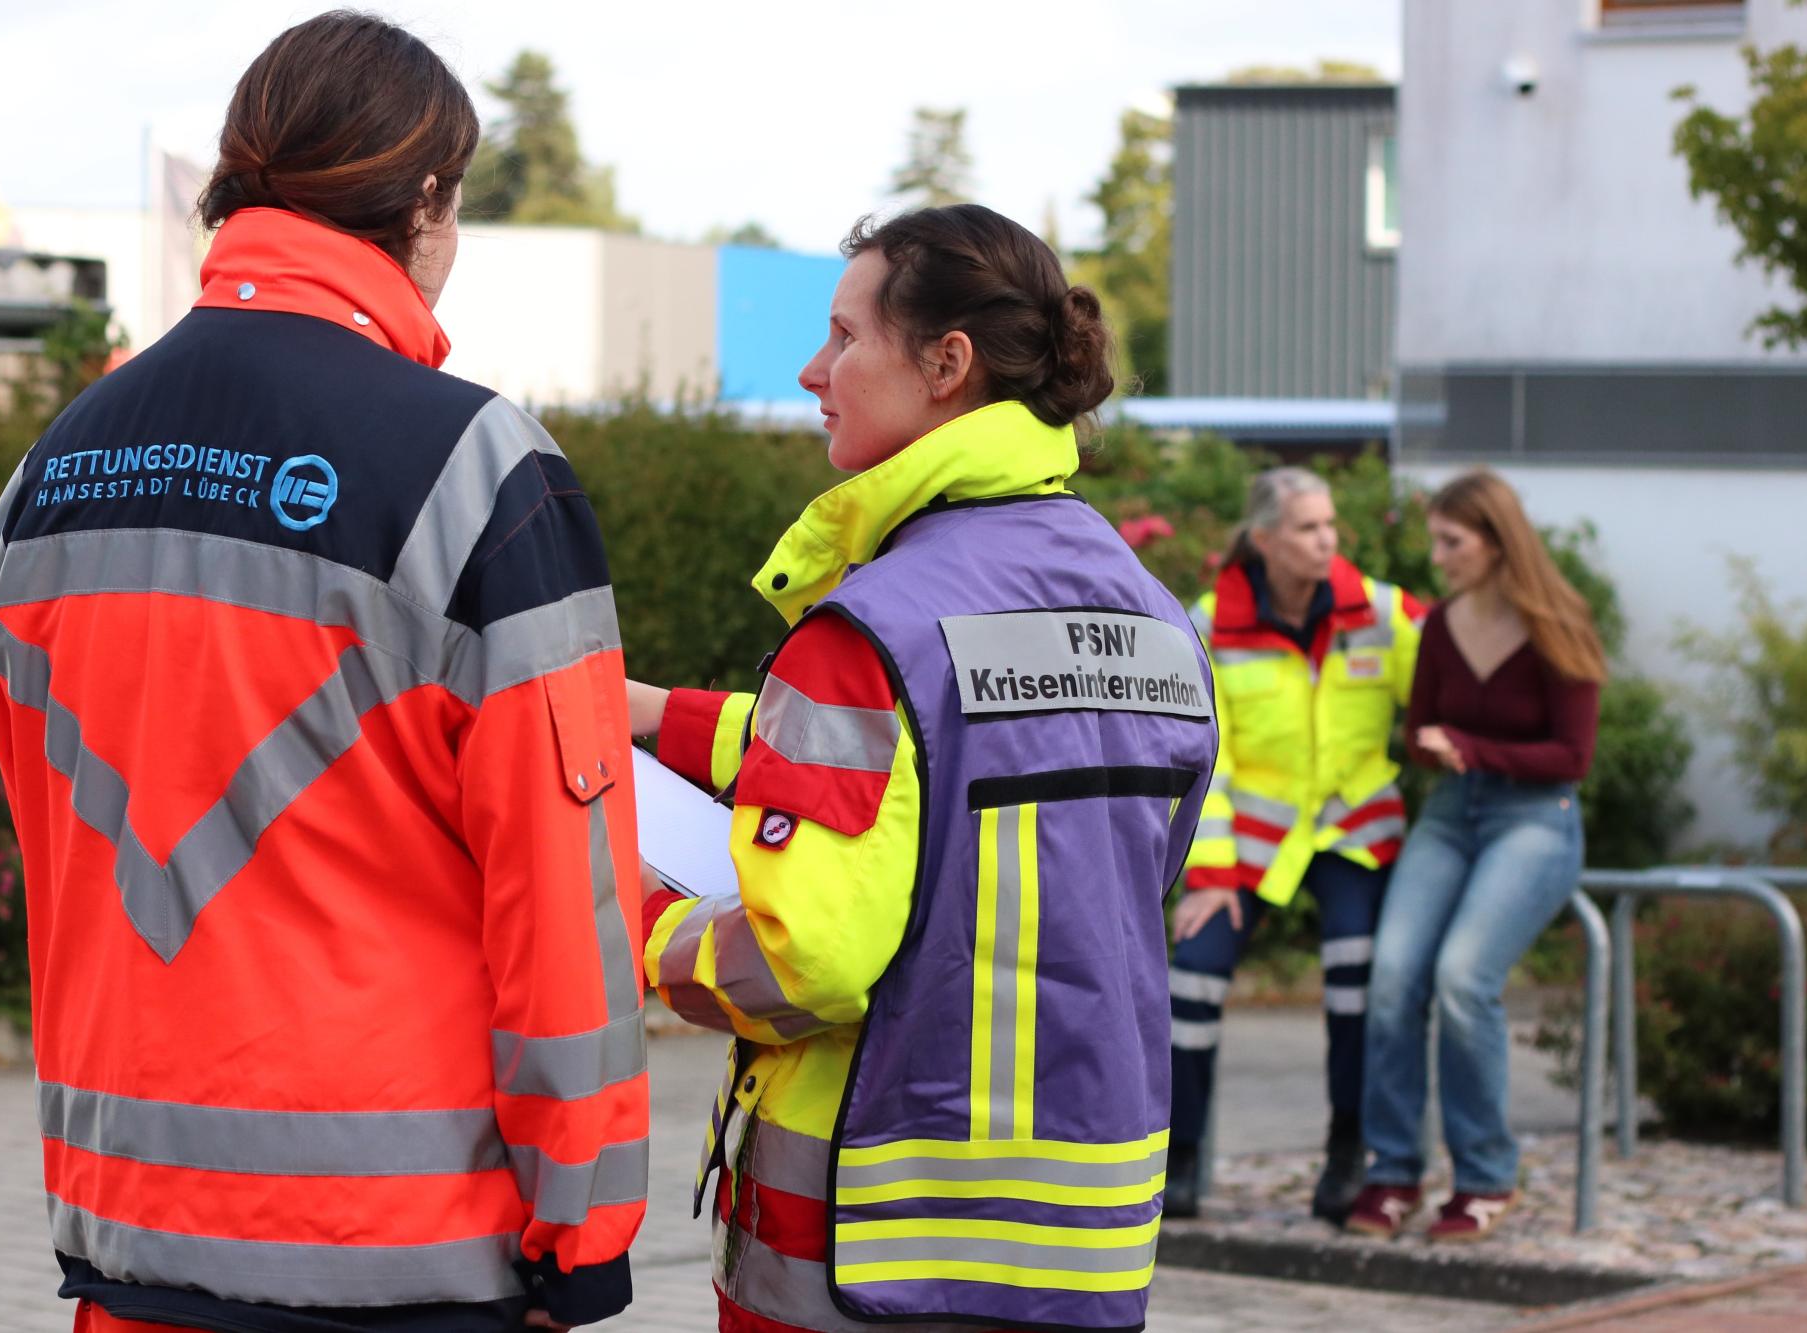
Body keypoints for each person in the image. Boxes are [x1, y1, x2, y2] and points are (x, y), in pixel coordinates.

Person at [0, 14, 647, 1331]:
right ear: (428, 201)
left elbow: (53, 835)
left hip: (131, 1246)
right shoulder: (479, 469)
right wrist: (581, 1238)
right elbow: (561, 906)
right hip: (409, 1260)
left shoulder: (46, 475)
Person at [628, 204, 1217, 1333]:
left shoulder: (870, 625)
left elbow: (804, 963)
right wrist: (660, 715)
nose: (813, 372)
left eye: (845, 336)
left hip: (857, 1245)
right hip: (1085, 1247)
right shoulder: (1153, 617)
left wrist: (640, 919)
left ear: (946, 365)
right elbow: (964, 770)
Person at [1346, 469, 1603, 1243]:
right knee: (1394, 975)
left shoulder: (1560, 624)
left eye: (1451, 541)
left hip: (1536, 817)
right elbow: (1420, 730)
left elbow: (1573, 756)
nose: (1438, 556)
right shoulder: (1440, 627)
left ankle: (1486, 1176)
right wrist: (1438, 748)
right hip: (1453, 814)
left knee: (1463, 977)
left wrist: (1472, 747)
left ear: (1496, 541)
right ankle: (1394, 1170)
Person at [1163, 470, 1425, 1224]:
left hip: (1353, 833)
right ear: (1265, 540)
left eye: (1331, 525)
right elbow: (1204, 758)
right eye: (1309, 528)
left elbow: (1450, 685)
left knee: (1355, 978)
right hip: (1251, 840)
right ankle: (1182, 1160)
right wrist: (1211, 872)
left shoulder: (1382, 612)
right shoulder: (1210, 625)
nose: (1327, 540)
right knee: (1193, 980)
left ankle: (1348, 1152)